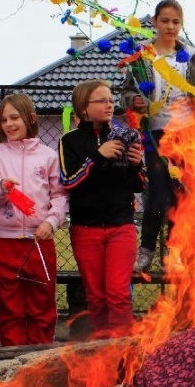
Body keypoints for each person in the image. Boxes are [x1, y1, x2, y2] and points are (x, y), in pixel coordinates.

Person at [121, 0, 195, 272]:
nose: (170, 27)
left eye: (175, 22)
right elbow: (126, 93)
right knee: (159, 194)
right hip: (156, 135)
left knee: (181, 194)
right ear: (155, 22)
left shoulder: (191, 56)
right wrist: (134, 100)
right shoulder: (142, 57)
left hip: (186, 135)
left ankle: (173, 250)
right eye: (165, 21)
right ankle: (147, 249)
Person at [0, 94, 68, 346]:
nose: (9, 124)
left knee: (42, 305)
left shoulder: (48, 156)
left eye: (14, 118)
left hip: (39, 242)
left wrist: (51, 222)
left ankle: (40, 358)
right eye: (4, 120)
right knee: (10, 309)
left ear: (30, 119)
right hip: (5, 243)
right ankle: (12, 358)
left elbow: (60, 196)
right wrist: (1, 187)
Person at [59, 80, 145, 337]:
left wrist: (136, 165)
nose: (109, 105)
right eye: (101, 100)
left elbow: (140, 185)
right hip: (86, 229)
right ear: (83, 107)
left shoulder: (125, 136)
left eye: (110, 100)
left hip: (121, 226)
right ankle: (101, 351)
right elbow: (69, 182)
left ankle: (122, 350)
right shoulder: (70, 141)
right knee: (96, 297)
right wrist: (97, 156)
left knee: (118, 293)